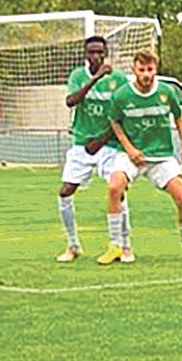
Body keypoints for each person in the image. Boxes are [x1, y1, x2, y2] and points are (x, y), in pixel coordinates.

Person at [99, 49, 182, 265]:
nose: (146, 74)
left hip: (161, 156)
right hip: (132, 156)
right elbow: (115, 122)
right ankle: (115, 246)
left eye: (150, 69)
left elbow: (179, 118)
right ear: (134, 70)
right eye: (142, 70)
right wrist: (129, 149)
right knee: (114, 187)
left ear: (156, 69)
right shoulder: (121, 95)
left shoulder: (166, 92)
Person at [56, 36, 131, 262]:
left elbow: (123, 114)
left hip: (109, 145)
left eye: (99, 52)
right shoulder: (78, 76)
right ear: (85, 55)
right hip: (82, 143)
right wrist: (95, 78)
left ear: (106, 53)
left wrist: (102, 139)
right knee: (65, 191)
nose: (96, 56)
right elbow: (71, 101)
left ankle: (124, 246)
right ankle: (73, 245)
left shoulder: (119, 79)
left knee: (118, 191)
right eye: (91, 52)